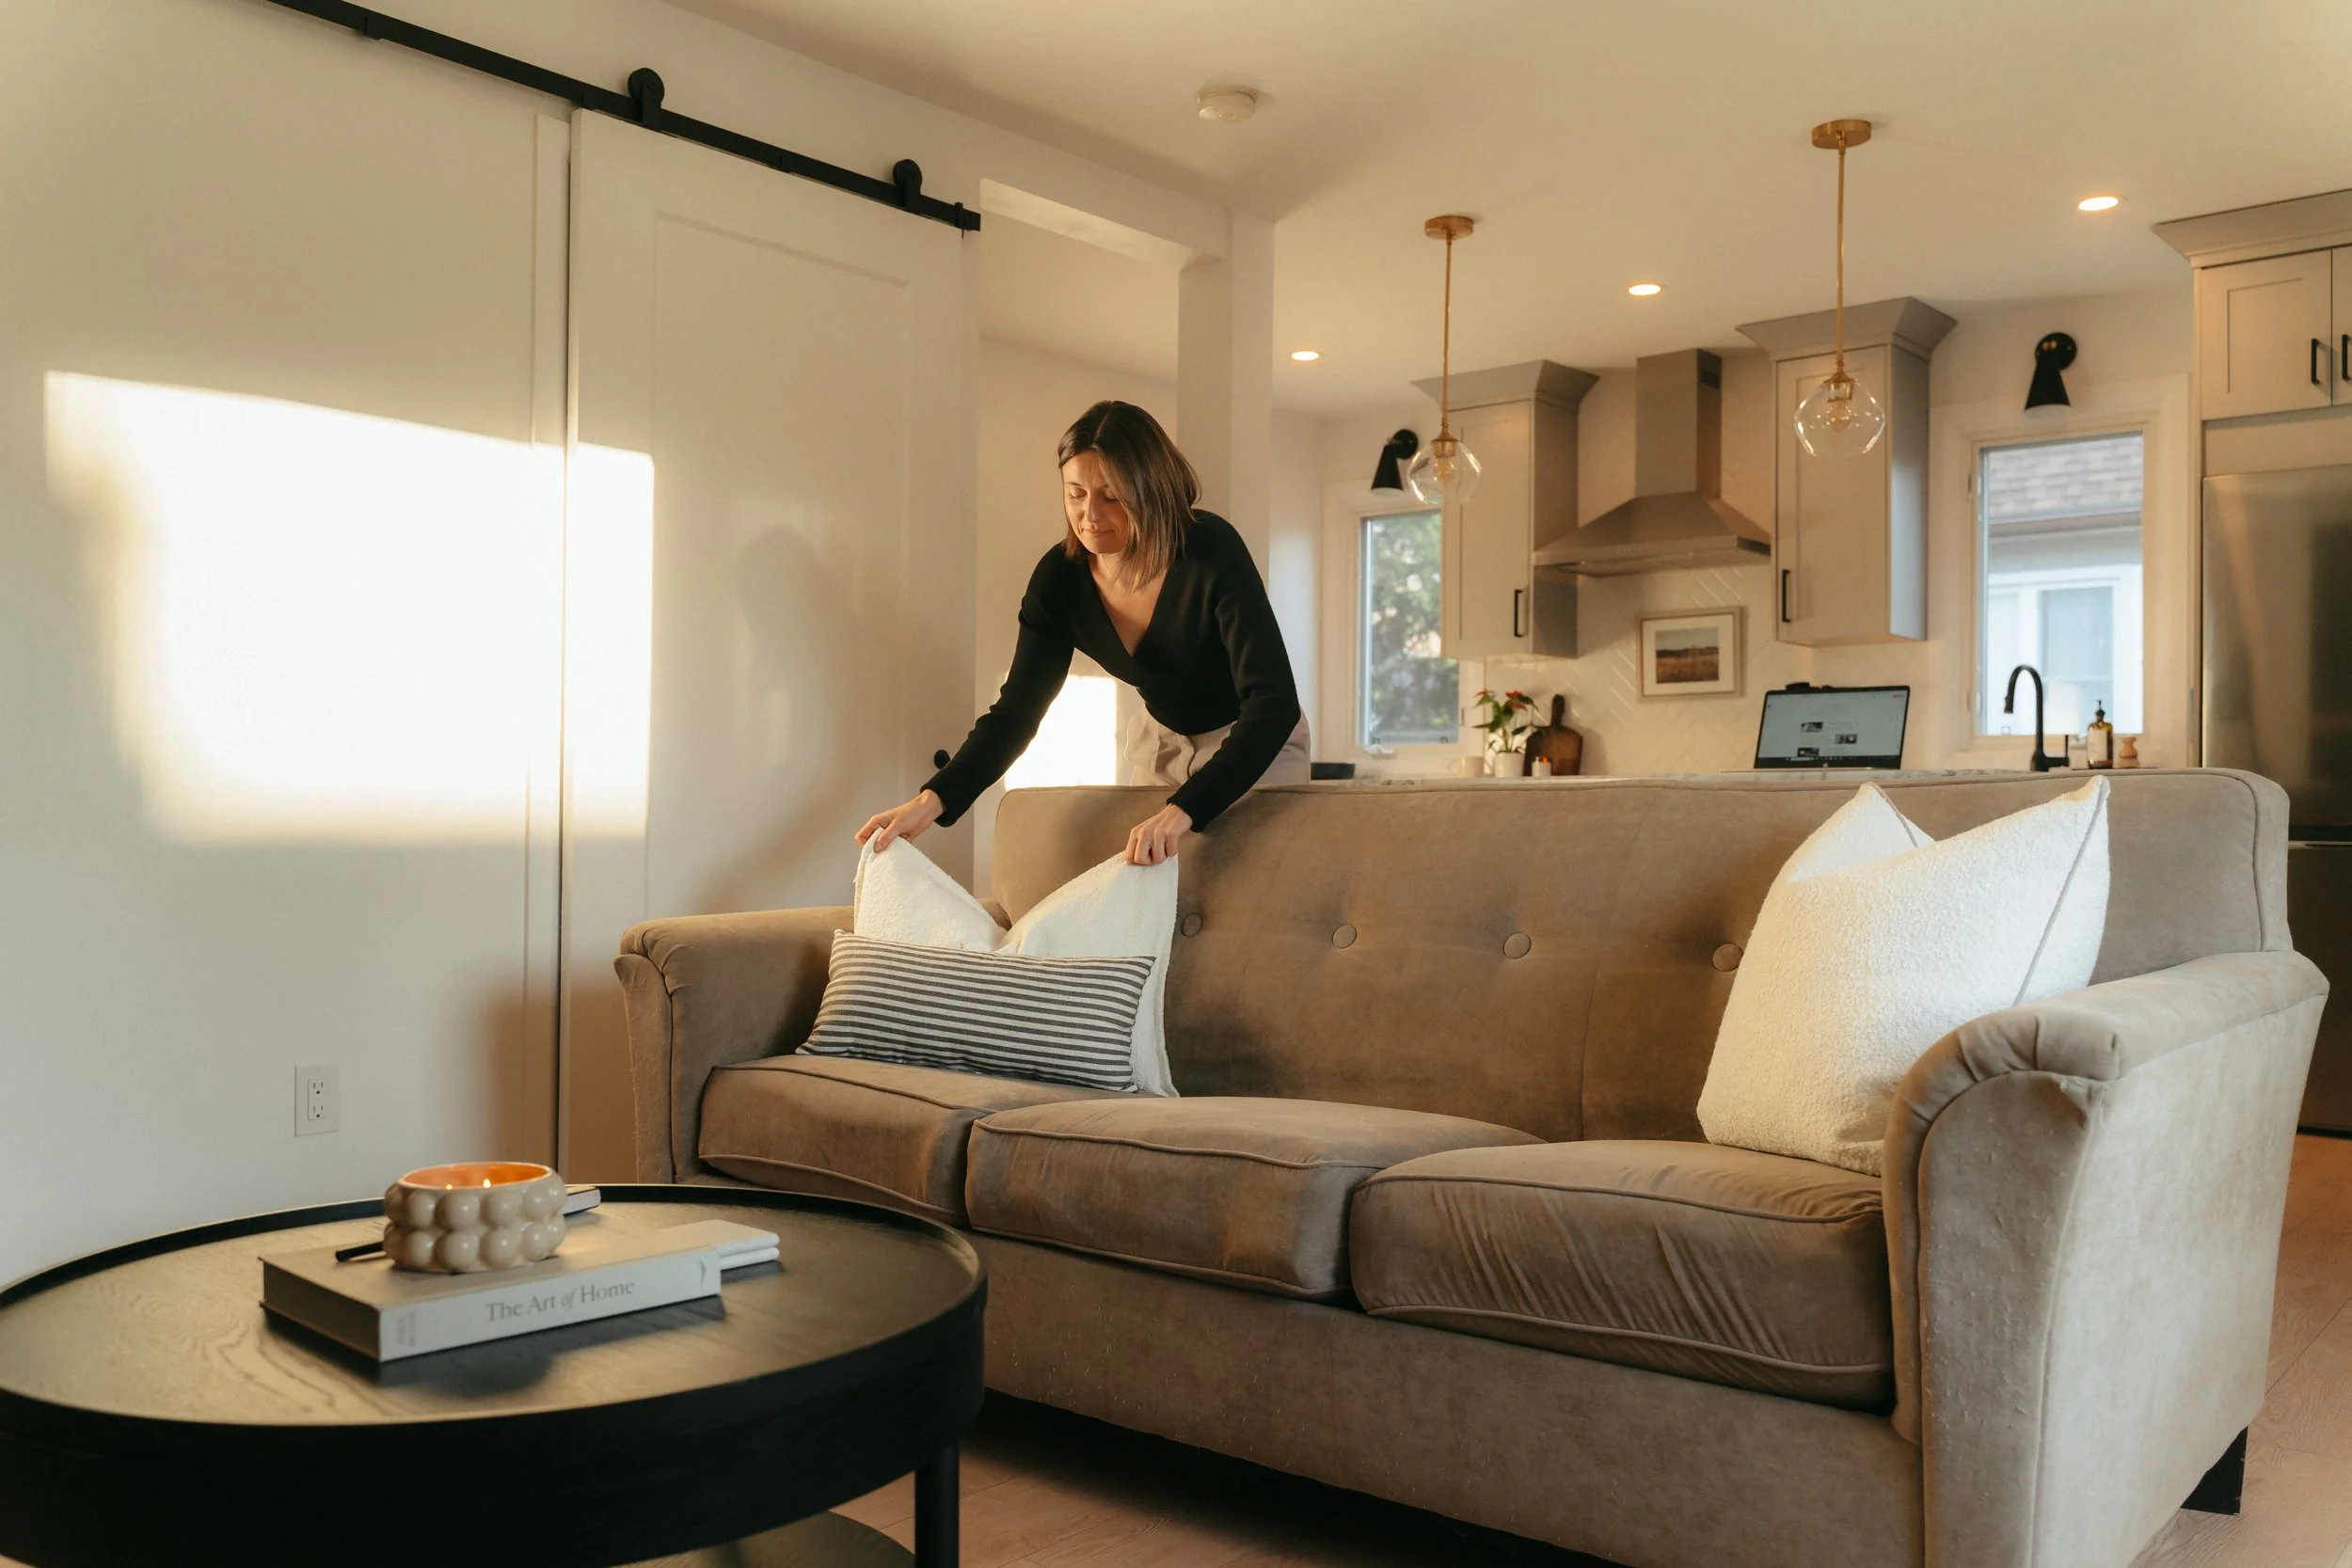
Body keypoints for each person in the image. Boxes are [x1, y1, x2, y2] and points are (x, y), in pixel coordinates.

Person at [857, 401, 1306, 866]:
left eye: (1111, 496)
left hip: (1257, 741)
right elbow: (1016, 713)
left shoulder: (1210, 550)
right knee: (1160, 895)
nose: (1090, 514)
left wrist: (1184, 809)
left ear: (1150, 490)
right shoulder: (1059, 581)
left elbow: (1272, 703)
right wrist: (932, 800)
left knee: (1255, 891)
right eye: (1075, 494)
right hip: (1163, 742)